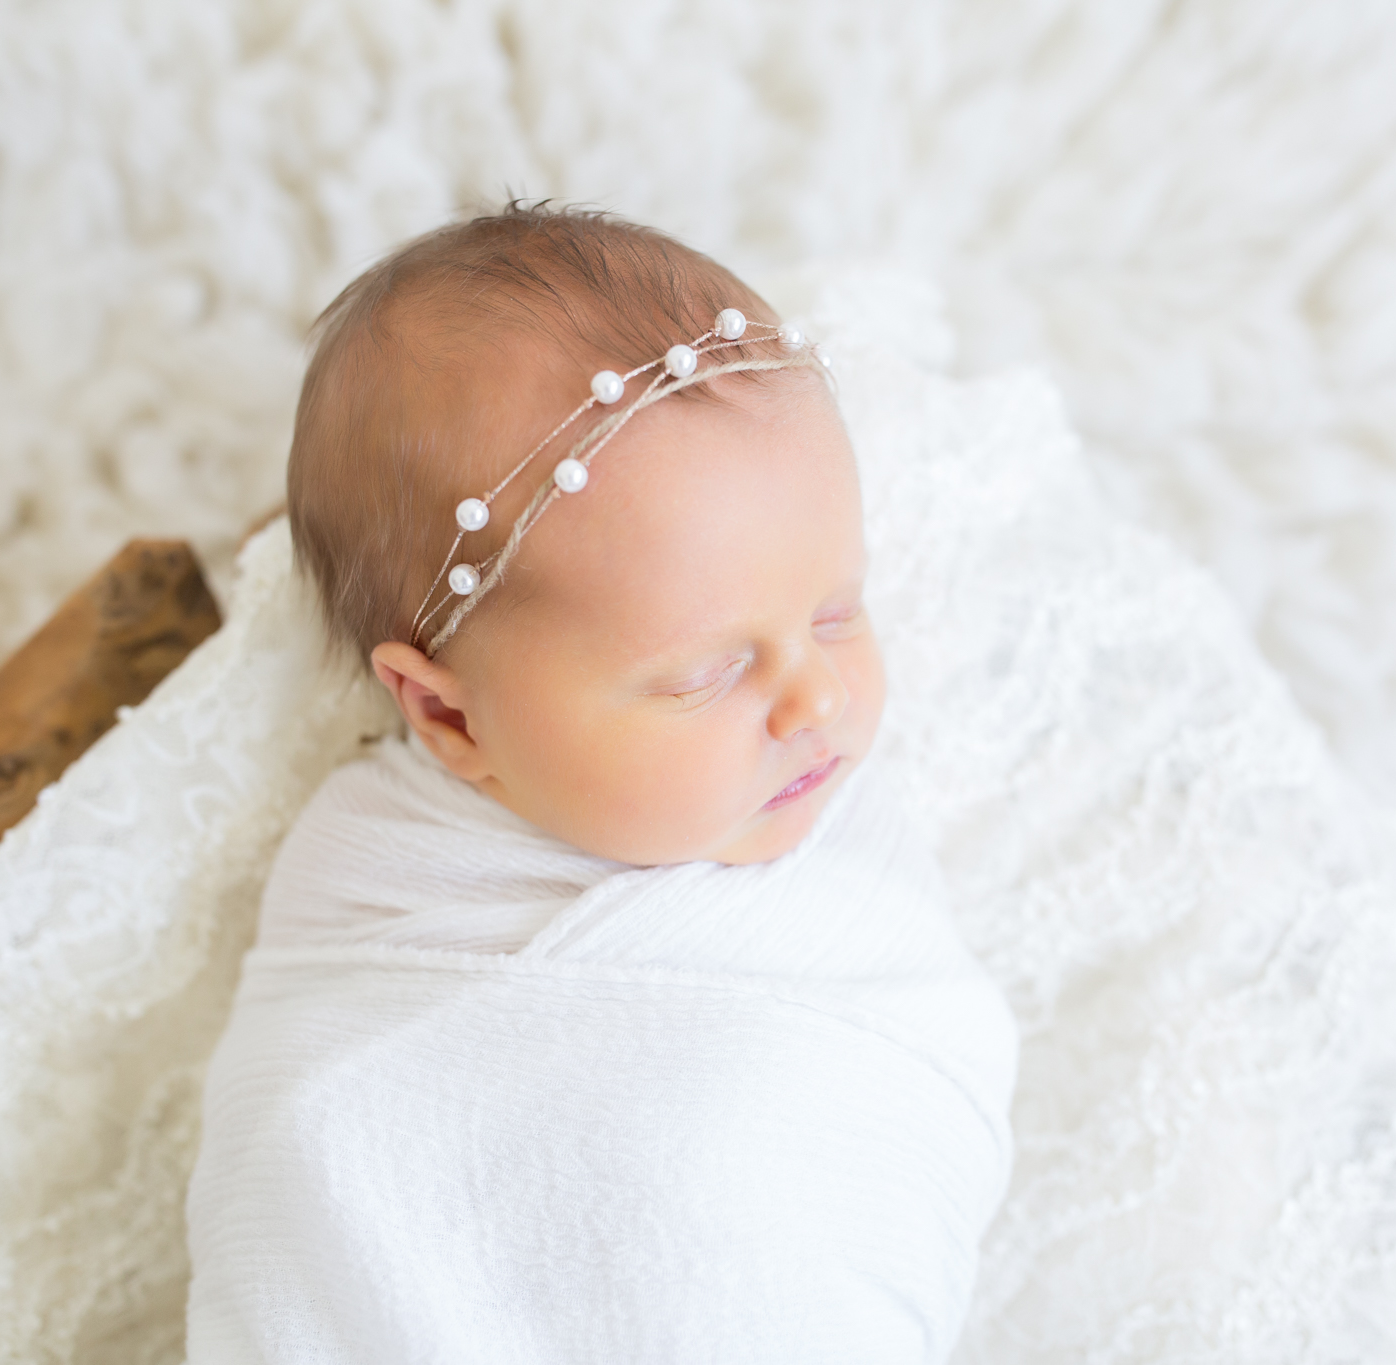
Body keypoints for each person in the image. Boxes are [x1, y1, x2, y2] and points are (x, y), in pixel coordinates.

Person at [183, 204, 1017, 1363]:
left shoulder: (836, 879)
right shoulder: (377, 905)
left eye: (836, 612)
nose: (814, 699)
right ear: (447, 712)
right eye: (705, 674)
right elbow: (320, 1156)